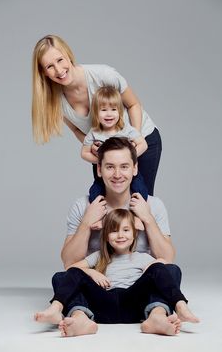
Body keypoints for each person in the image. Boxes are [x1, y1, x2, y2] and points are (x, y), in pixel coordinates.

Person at [59, 137, 181, 336]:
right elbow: (69, 263)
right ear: (99, 170)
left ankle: (156, 315)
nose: (117, 175)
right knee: (63, 278)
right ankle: (81, 319)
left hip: (139, 293)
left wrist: (147, 219)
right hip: (98, 294)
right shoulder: (83, 206)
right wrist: (86, 223)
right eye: (109, 167)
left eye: (124, 166)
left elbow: (166, 260)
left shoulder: (153, 205)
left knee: (171, 271)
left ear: (135, 168)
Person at [35, 209, 199, 337]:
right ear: (106, 236)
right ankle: (77, 318)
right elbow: (71, 268)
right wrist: (93, 273)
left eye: (126, 230)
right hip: (102, 304)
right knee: (61, 276)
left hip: (134, 304)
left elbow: (163, 265)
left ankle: (164, 313)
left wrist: (153, 270)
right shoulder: (98, 256)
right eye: (114, 231)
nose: (120, 235)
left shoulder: (142, 257)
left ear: (134, 234)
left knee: (171, 270)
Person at [32, 34, 162, 195]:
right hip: (105, 151)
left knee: (140, 198)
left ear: (68, 55)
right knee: (104, 202)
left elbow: (134, 104)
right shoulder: (54, 101)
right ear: (43, 72)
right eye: (49, 66)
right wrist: (92, 146)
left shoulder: (103, 75)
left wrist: (132, 140)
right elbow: (77, 131)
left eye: (60, 60)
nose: (59, 70)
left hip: (143, 139)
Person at [82, 85, 149, 203]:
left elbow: (143, 145)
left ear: (120, 112)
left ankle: (137, 217)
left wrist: (128, 158)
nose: (109, 114)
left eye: (113, 110)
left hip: (127, 174)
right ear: (96, 113)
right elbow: (84, 153)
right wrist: (100, 159)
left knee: (141, 191)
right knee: (94, 196)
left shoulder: (126, 129)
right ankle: (101, 218)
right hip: (104, 174)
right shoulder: (94, 133)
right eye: (103, 110)